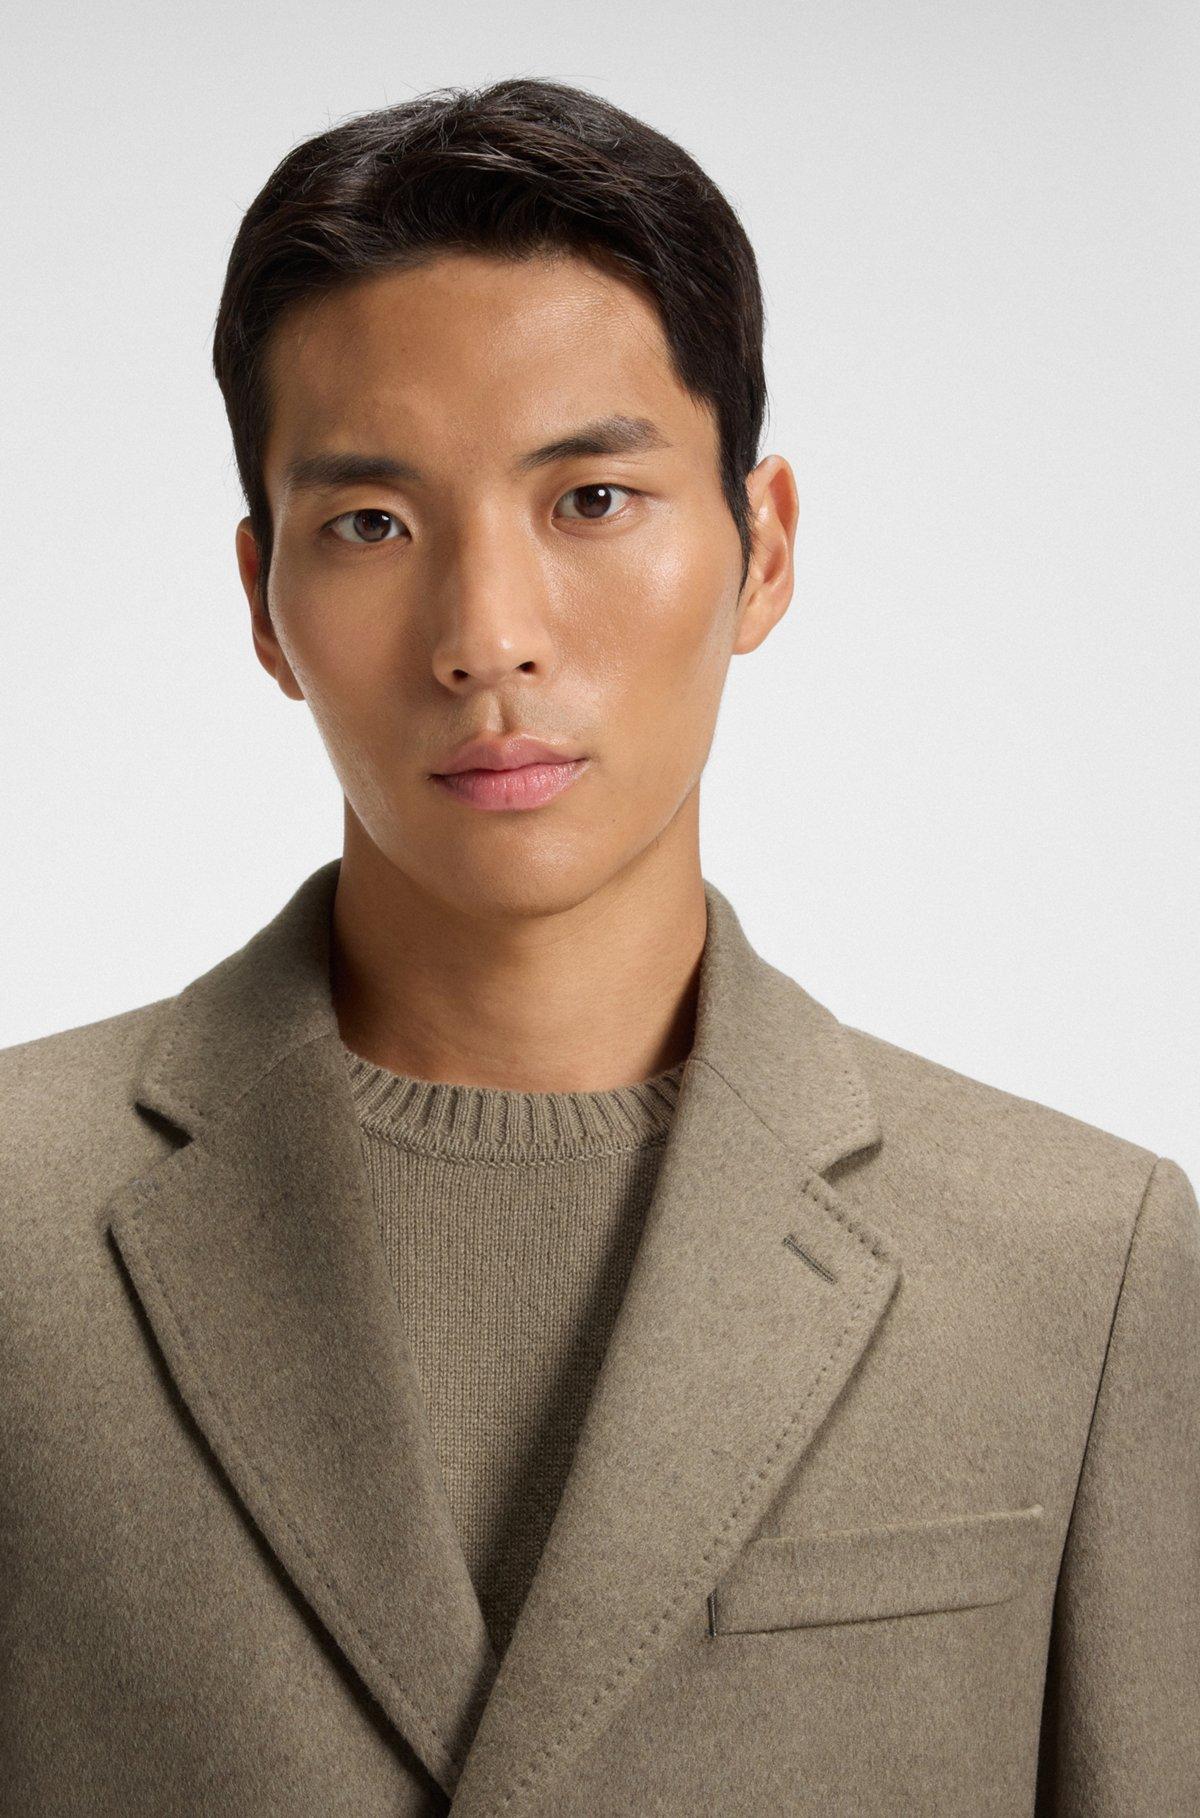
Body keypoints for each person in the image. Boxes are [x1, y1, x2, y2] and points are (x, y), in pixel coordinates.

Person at [2, 77, 1195, 1818]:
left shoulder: (1084, 1267)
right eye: (372, 524)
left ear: (763, 550)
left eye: (592, 500)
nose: (487, 635)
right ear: (262, 599)